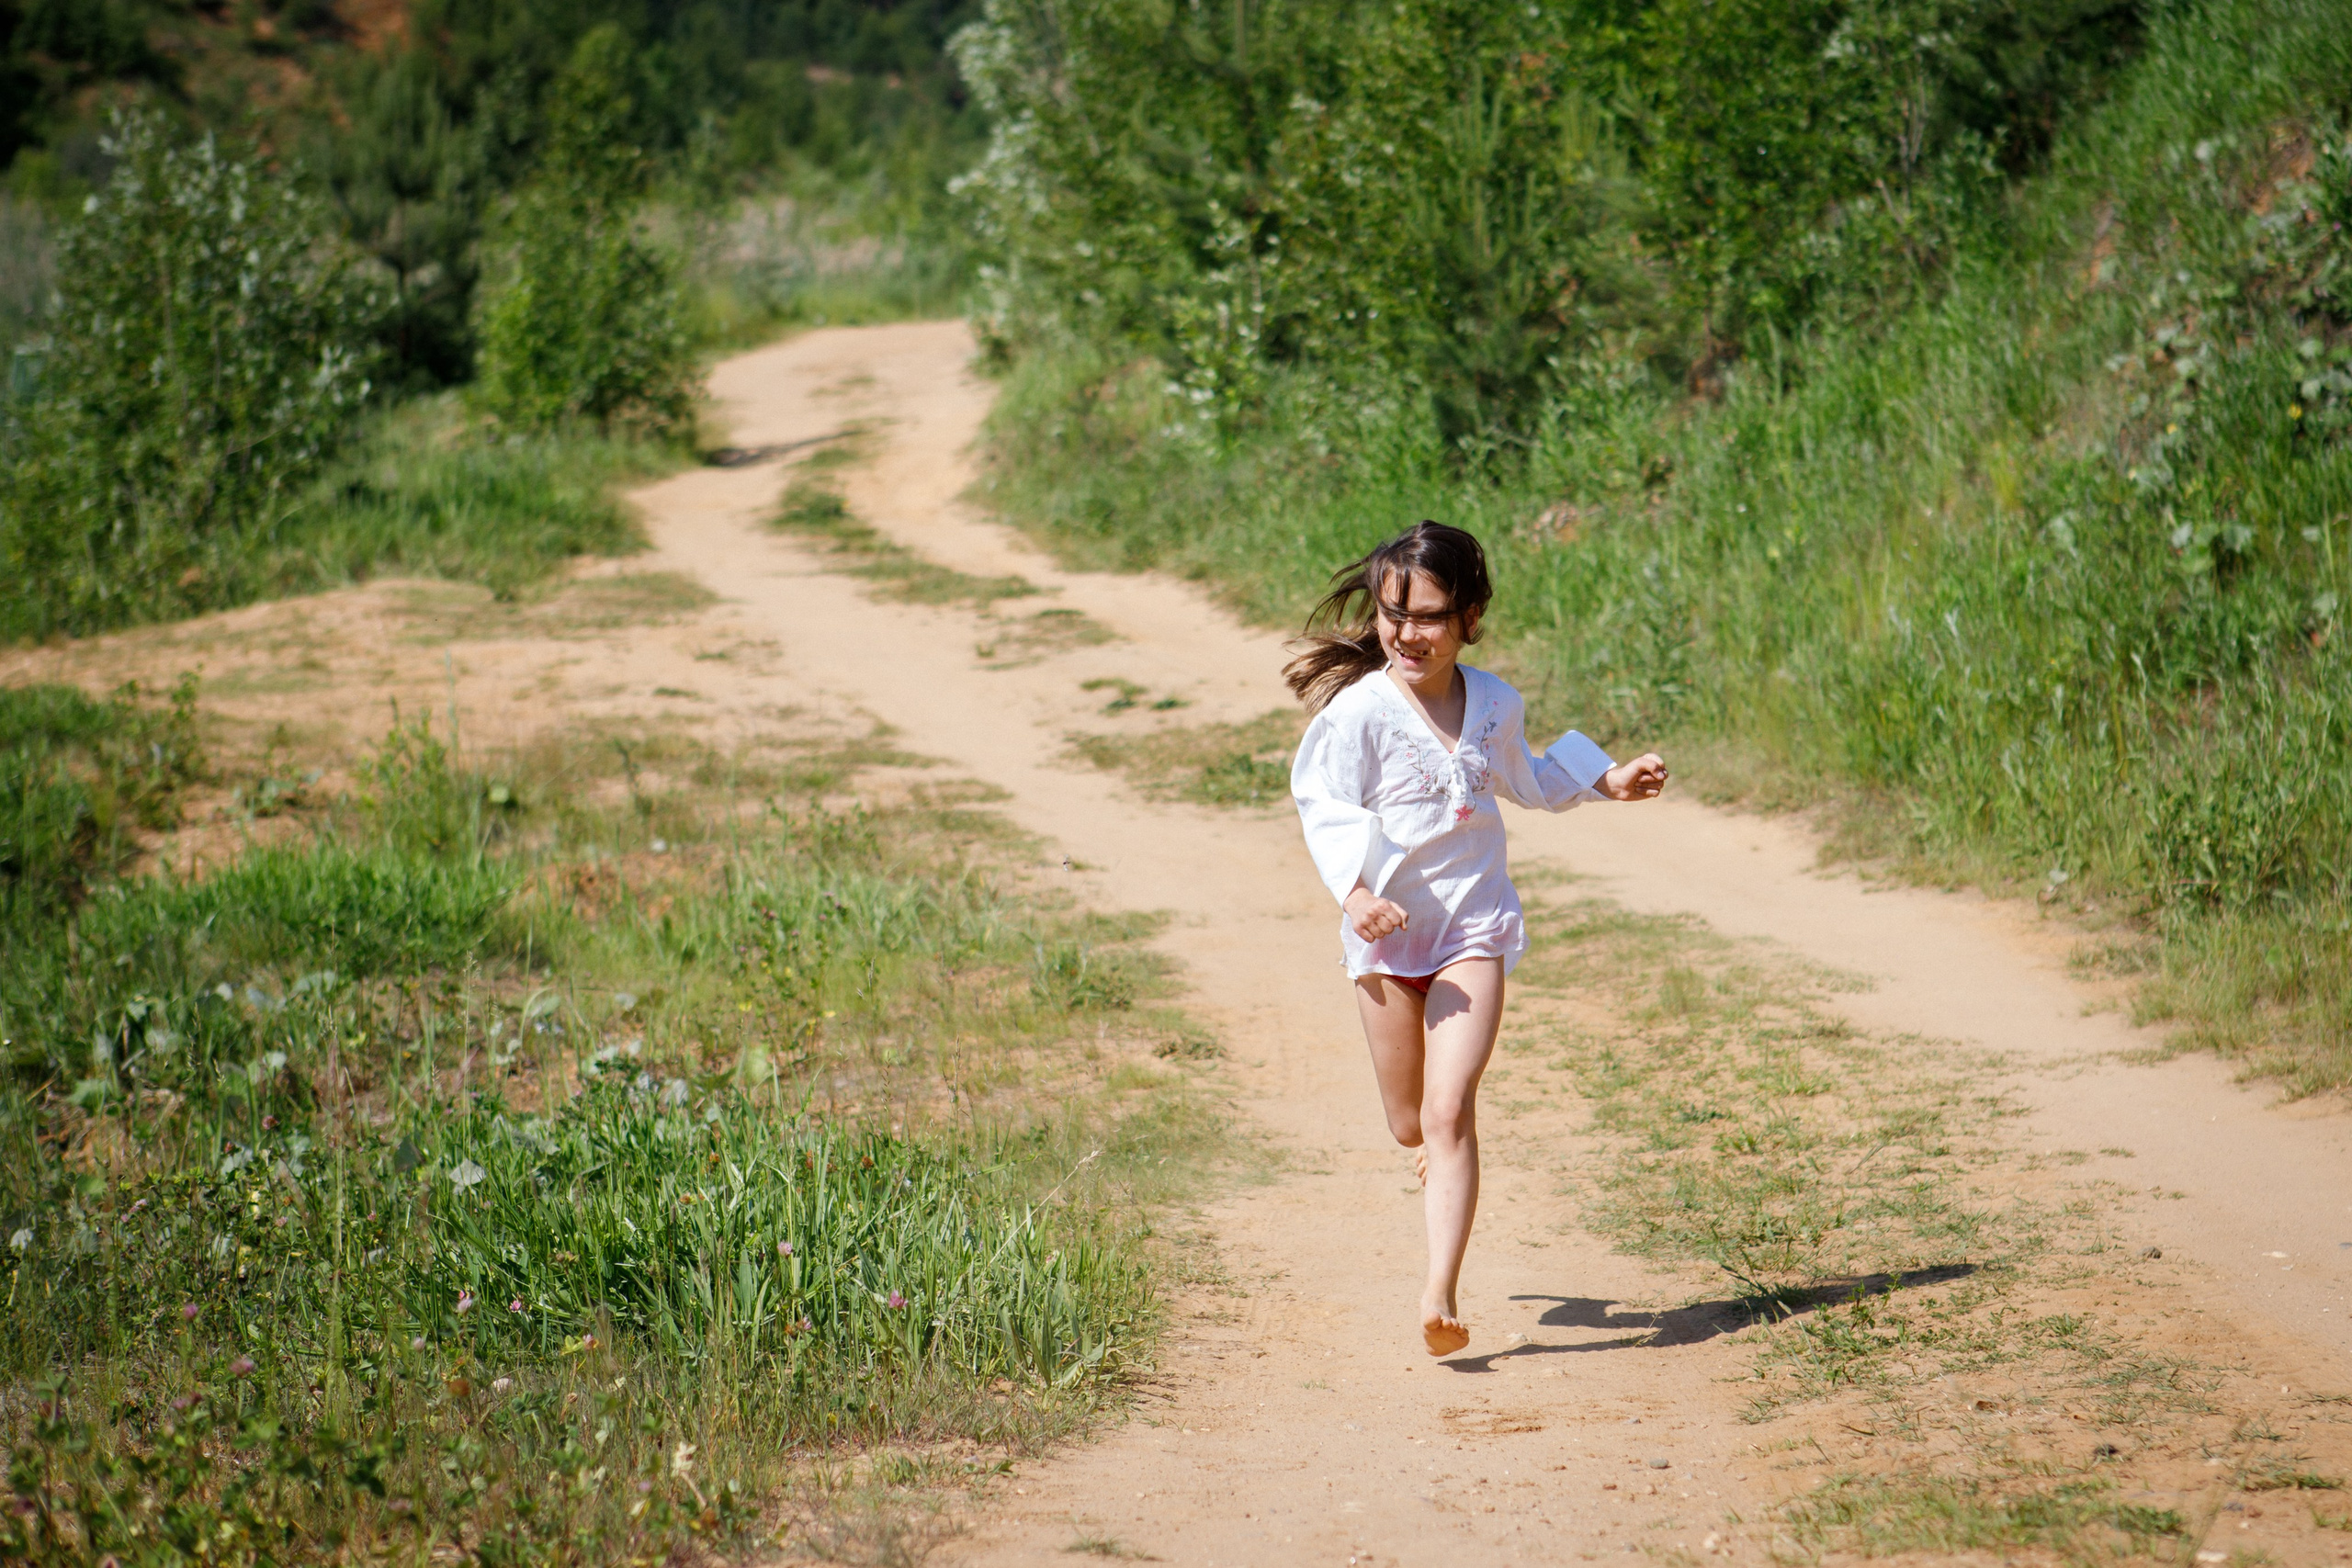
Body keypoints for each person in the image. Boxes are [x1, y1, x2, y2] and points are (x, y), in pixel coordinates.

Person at [1285, 521, 1668, 1356]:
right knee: (1407, 1123)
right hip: (1387, 942)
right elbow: (1321, 803)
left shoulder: (1493, 702)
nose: (1406, 633)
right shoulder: (1359, 715)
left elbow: (1524, 776)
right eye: (1393, 614)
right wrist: (1354, 894)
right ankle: (1429, 1155)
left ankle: (1439, 1293)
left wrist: (1606, 782)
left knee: (1450, 1108)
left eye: (1427, 615)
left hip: (1472, 926)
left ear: (1471, 616)